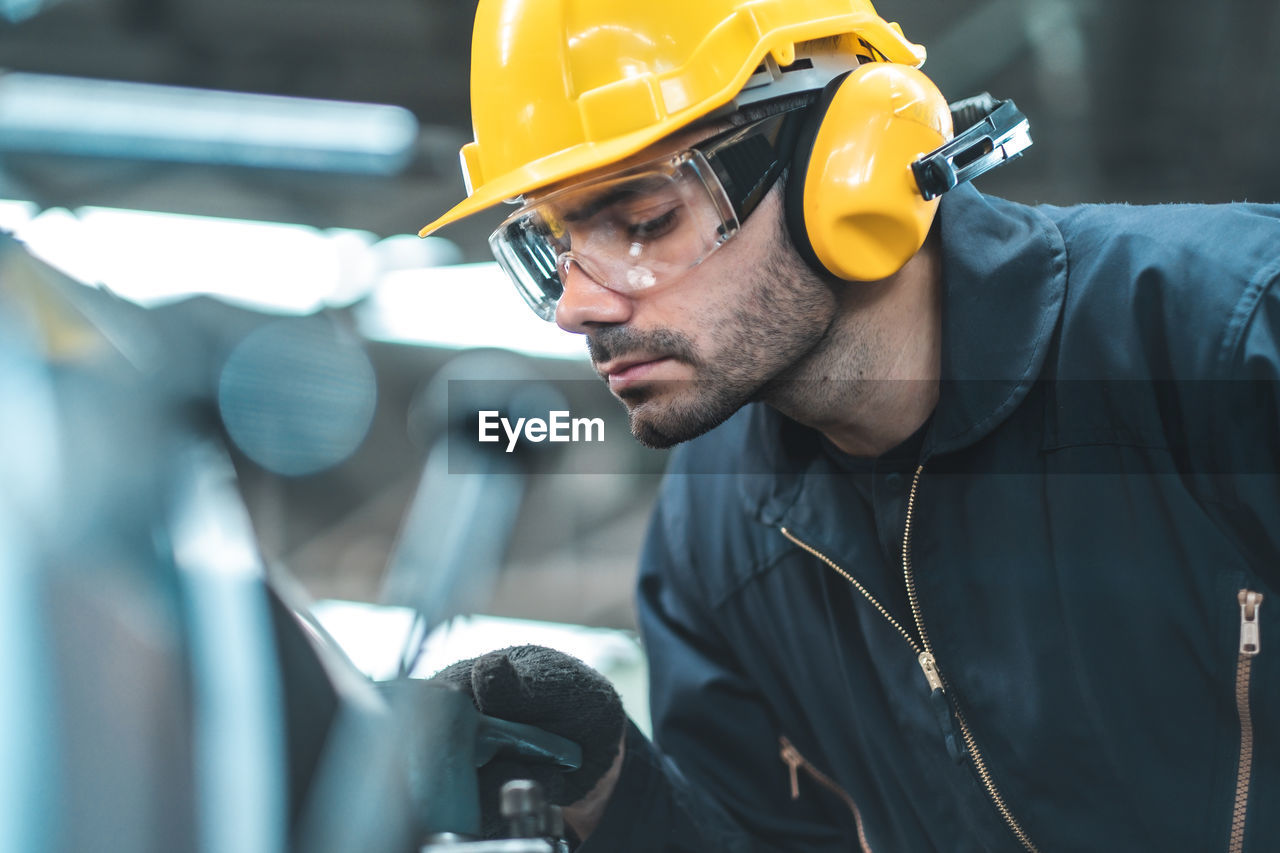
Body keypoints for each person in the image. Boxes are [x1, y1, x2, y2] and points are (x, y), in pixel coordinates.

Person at [419, 1, 1280, 850]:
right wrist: (611, 794)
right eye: (551, 249)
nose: (575, 307)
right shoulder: (714, 529)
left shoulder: (1228, 335)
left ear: (850, 163)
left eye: (644, 221)